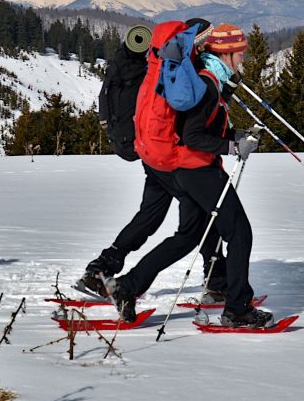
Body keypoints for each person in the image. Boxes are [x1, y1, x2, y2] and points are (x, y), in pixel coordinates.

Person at [109, 23, 268, 328]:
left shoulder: (206, 80)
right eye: (241, 53)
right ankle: (237, 309)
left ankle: (127, 287)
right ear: (227, 53)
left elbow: (201, 130)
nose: (245, 58)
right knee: (239, 232)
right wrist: (232, 145)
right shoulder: (207, 84)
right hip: (198, 170)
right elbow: (193, 136)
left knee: (188, 237)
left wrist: (238, 135)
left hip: (185, 170)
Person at [81, 19, 229, 303]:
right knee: (200, 218)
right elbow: (191, 120)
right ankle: (216, 279)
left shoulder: (155, 63)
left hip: (152, 155)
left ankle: (102, 266)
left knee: (151, 216)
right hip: (173, 159)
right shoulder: (182, 69)